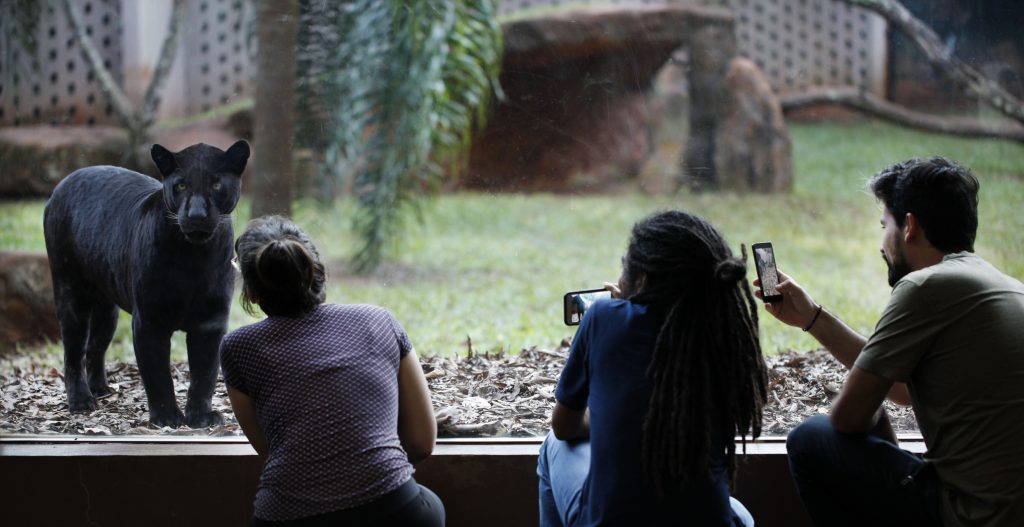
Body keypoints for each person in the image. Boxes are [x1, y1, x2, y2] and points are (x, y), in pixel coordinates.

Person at [755, 157, 1024, 526]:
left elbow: (847, 419)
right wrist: (812, 318)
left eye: (885, 225)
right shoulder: (1003, 286)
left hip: (973, 516)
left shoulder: (924, 285)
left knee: (811, 438)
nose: (882, 243)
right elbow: (902, 391)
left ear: (910, 226)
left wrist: (870, 406)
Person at [538, 210, 768, 526]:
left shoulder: (603, 317)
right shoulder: (726, 335)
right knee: (740, 515)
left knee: (553, 446)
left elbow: (565, 426)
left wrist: (622, 310)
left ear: (642, 279)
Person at [219, 216, 444, 527]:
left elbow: (272, 450)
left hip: (285, 516)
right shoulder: (378, 321)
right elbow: (422, 442)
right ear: (318, 272)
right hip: (395, 509)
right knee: (430, 506)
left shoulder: (238, 347)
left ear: (254, 294)